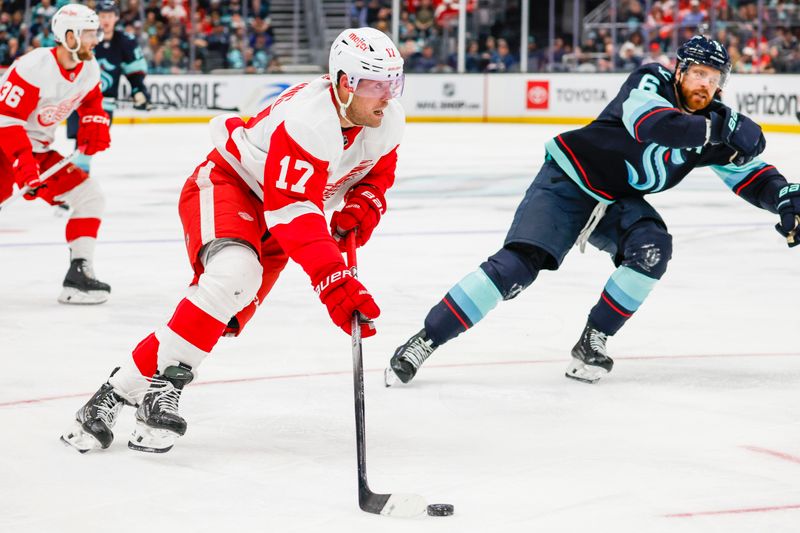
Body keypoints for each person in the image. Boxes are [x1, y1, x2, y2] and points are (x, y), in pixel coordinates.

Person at [61, 27, 405, 454]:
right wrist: (333, 282)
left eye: (394, 81)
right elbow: (294, 210)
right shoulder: (309, 121)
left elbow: (376, 169)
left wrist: (364, 203)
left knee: (217, 312)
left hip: (279, 208)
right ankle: (164, 389)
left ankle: (111, 395)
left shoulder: (386, 118)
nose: (388, 95)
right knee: (235, 274)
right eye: (376, 83)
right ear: (342, 83)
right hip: (230, 184)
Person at [386, 35, 800, 386]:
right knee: (516, 267)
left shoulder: (714, 124)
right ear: (679, 71)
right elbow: (650, 124)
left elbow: (751, 175)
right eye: (697, 73)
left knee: (653, 248)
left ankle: (593, 340)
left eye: (713, 79)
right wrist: (717, 129)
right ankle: (426, 338)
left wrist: (784, 197)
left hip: (617, 201)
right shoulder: (651, 81)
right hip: (568, 180)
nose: (704, 85)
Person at [0, 4, 112, 304]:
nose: (96, 39)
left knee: (90, 197)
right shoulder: (34, 66)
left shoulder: (89, 67)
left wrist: (94, 125)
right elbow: (7, 121)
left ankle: (78, 276)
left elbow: (92, 102)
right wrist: (23, 165)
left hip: (37, 151)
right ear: (69, 35)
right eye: (89, 33)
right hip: (5, 148)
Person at [66, 0, 152, 174]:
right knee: (81, 144)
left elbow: (134, 72)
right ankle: (74, 182)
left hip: (104, 105)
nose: (106, 20)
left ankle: (74, 182)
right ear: (96, 17)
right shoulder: (83, 37)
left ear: (117, 18)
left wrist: (139, 92)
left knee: (87, 145)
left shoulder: (126, 42)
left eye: (110, 16)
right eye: (103, 16)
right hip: (79, 101)